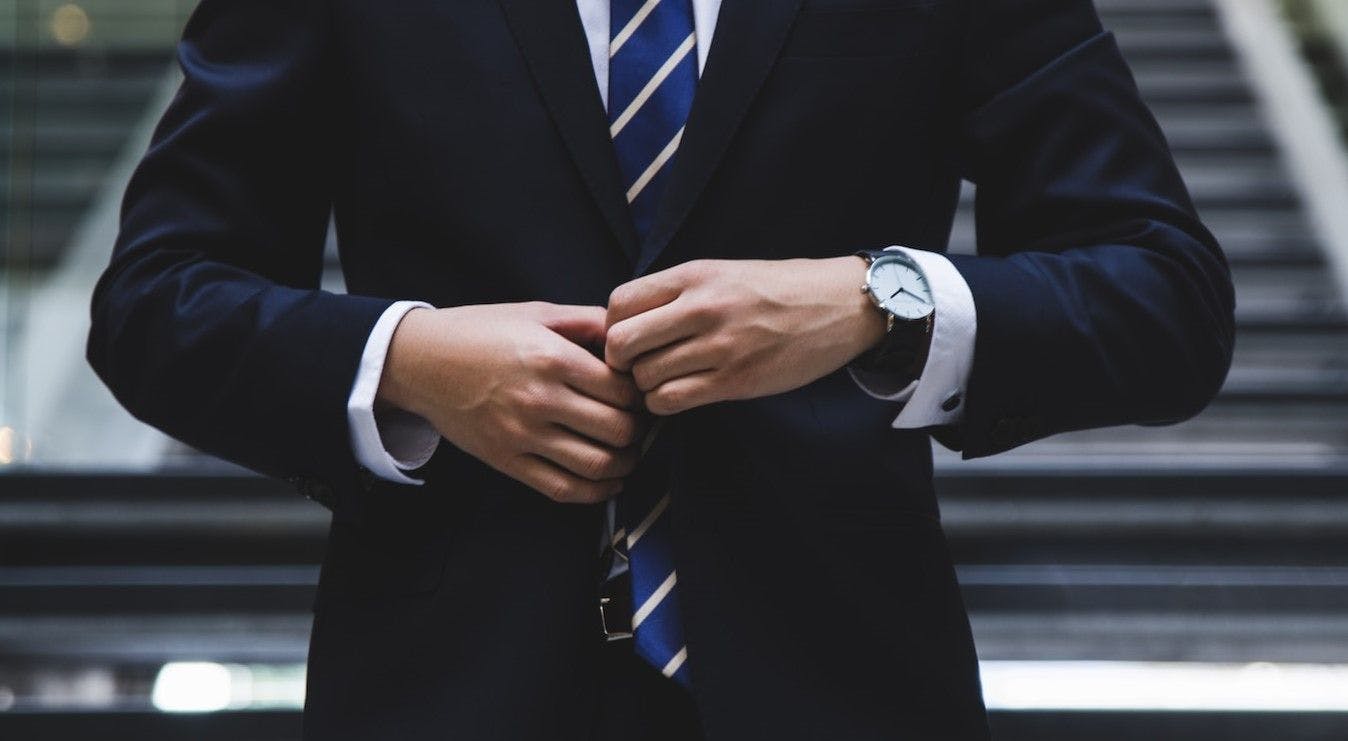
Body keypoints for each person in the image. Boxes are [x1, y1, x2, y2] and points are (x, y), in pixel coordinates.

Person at [86, 0, 1235, 737]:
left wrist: (875, 299)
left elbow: (1165, 294)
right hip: (444, 685)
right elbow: (155, 300)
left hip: (842, 682)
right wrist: (407, 360)